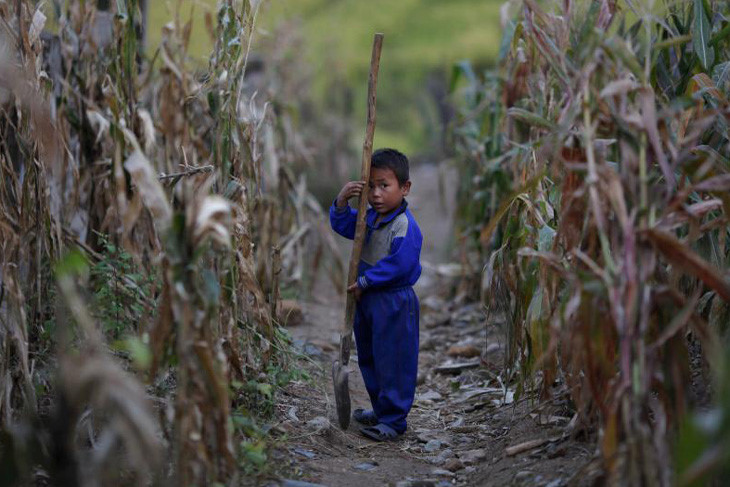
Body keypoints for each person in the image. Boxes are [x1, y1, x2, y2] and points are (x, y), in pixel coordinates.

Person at [329, 148, 422, 441]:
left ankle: (394, 420)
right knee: (370, 356)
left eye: (384, 185)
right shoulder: (368, 220)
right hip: (367, 300)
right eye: (370, 186)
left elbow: (400, 264)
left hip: (393, 301)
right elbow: (346, 227)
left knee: (393, 359)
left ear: (404, 188)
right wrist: (342, 202)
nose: (376, 194)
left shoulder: (404, 225)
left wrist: (368, 281)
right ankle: (381, 409)